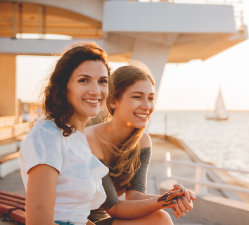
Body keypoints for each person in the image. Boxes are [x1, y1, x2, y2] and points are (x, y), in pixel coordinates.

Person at [86, 65, 195, 225]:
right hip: (74, 221)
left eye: (151, 98)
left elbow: (135, 196)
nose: (147, 106)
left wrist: (172, 197)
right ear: (114, 100)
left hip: (103, 220)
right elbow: (115, 207)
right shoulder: (91, 139)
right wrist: (163, 201)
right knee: (160, 219)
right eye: (137, 97)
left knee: (159, 217)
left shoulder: (142, 141)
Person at [19, 43, 111, 225]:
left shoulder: (74, 136)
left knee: (157, 219)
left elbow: (77, 214)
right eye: (84, 80)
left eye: (102, 81)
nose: (96, 90)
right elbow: (39, 222)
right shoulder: (47, 136)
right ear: (63, 87)